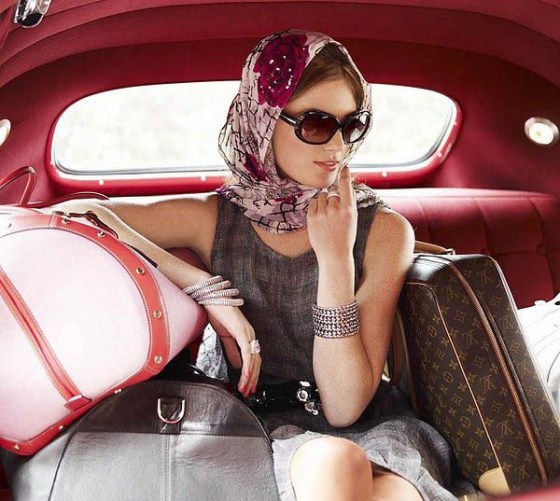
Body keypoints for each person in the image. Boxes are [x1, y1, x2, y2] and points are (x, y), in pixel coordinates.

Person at [56, 30, 459, 501]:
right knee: (337, 464)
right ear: (264, 120)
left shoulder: (383, 230)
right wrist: (200, 285)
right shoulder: (216, 218)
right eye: (316, 124)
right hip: (247, 425)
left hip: (371, 428)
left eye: (352, 125)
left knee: (377, 482)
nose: (337, 147)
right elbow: (73, 215)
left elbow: (345, 406)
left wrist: (335, 260)